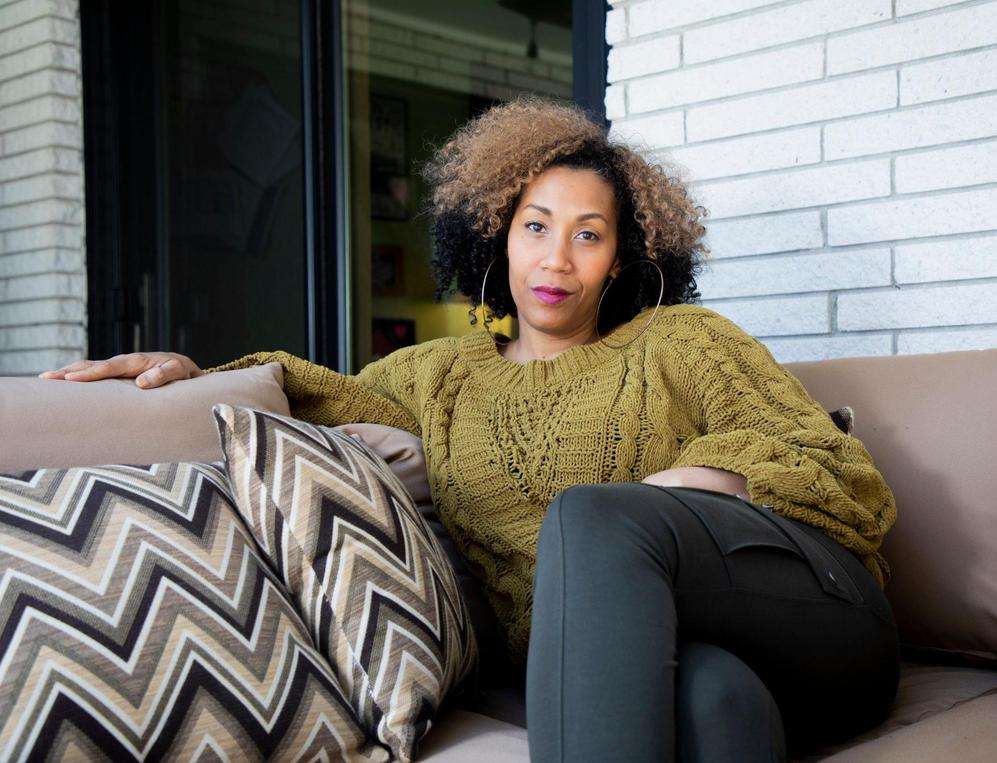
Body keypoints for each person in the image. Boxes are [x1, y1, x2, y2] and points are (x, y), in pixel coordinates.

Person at [42, 96, 899, 762]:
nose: (556, 258)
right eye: (536, 227)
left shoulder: (683, 341)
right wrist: (194, 373)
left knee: (594, 516)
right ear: (497, 235)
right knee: (716, 702)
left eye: (588, 235)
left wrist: (681, 488)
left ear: (624, 260)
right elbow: (313, 396)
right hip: (682, 655)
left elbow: (839, 471)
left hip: (821, 620)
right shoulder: (440, 376)